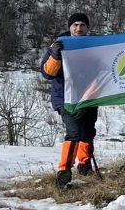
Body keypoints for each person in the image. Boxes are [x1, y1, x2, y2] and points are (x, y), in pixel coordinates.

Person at [41, 12, 97, 189]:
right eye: (75, 25)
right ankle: (64, 173)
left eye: (82, 25)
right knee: (74, 132)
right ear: (70, 28)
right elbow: (47, 73)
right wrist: (56, 56)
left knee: (88, 131)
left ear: (87, 28)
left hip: (88, 97)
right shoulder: (59, 45)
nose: (79, 28)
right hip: (65, 99)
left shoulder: (94, 46)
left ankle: (85, 165)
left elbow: (101, 72)